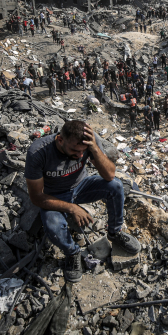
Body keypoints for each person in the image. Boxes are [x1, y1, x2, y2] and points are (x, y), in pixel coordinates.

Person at [24, 120, 140, 283]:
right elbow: (36, 197)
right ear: (60, 140)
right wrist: (72, 208)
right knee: (52, 226)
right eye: (74, 150)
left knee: (116, 186)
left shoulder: (89, 141)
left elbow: (110, 175)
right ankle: (72, 253)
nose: (79, 155)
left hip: (82, 186)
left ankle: (115, 233)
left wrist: (93, 148)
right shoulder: (38, 152)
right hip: (55, 195)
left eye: (83, 151)